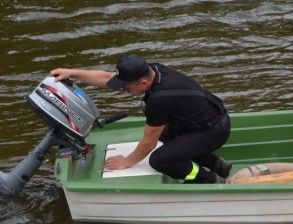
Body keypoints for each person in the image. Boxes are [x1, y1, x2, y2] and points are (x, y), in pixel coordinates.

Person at [51, 55, 231, 184]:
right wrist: (72, 73)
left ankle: (210, 180)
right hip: (207, 120)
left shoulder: (159, 99)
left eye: (126, 88)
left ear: (143, 83)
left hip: (213, 131)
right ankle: (217, 164)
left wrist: (126, 161)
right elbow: (107, 78)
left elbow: (148, 144)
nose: (123, 90)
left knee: (159, 160)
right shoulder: (153, 70)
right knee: (164, 134)